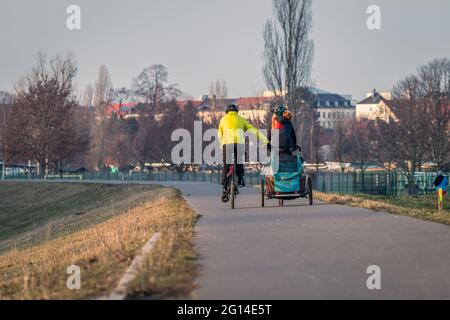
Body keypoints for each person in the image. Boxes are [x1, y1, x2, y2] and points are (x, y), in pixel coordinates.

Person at [218, 104, 269, 202]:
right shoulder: (241, 119)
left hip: (227, 144)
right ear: (236, 111)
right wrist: (266, 141)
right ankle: (240, 179)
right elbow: (254, 131)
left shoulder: (223, 120)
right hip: (239, 144)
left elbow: (220, 134)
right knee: (240, 162)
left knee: (226, 165)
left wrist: (221, 145)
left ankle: (225, 189)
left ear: (226, 111)